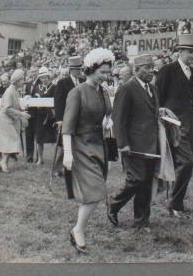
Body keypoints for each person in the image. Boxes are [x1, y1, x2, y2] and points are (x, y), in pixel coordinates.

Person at [63, 48, 114, 253]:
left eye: (108, 72)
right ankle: (78, 230)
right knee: (95, 191)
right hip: (81, 146)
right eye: (102, 72)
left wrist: (107, 122)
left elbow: (105, 112)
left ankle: (78, 229)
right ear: (91, 70)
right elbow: (68, 125)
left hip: (98, 144)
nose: (106, 76)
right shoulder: (77, 92)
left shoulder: (102, 91)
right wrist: (68, 153)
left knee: (95, 191)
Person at [107, 53, 160, 229]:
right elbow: (118, 118)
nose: (151, 71)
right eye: (147, 68)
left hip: (151, 144)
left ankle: (141, 220)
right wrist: (122, 144)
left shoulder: (153, 89)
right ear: (136, 70)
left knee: (145, 183)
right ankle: (113, 203)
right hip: (133, 145)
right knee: (137, 179)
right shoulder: (127, 88)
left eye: (152, 68)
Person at [155, 32, 193, 219]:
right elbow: (157, 95)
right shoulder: (168, 70)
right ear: (180, 51)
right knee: (187, 162)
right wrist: (162, 116)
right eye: (189, 52)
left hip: (191, 124)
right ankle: (174, 203)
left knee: (186, 164)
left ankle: (178, 203)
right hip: (174, 125)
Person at [0, 69, 30, 172]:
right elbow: (8, 108)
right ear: (16, 81)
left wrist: (22, 108)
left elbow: (14, 106)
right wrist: (22, 114)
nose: (23, 82)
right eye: (22, 80)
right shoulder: (10, 91)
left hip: (7, 118)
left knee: (10, 140)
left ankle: (4, 162)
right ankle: (3, 162)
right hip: (4, 118)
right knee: (12, 140)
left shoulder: (14, 90)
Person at [52, 56, 83, 176]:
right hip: (66, 118)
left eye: (79, 69)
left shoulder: (83, 81)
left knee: (77, 143)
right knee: (63, 144)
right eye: (76, 69)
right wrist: (59, 119)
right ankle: (57, 168)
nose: (78, 72)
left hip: (80, 118)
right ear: (71, 70)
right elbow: (58, 102)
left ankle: (74, 167)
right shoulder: (62, 83)